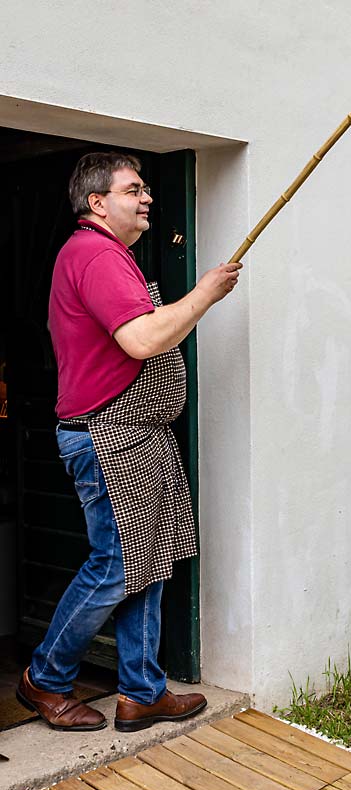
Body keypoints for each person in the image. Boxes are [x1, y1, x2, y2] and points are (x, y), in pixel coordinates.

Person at [15, 152, 239, 733]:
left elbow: (155, 332)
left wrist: (193, 303)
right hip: (107, 433)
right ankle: (46, 677)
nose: (146, 198)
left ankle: (141, 691)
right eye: (132, 190)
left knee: (150, 562)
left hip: (136, 433)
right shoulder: (94, 254)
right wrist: (206, 294)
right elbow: (142, 340)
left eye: (145, 189)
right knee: (117, 563)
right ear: (97, 203)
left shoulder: (112, 256)